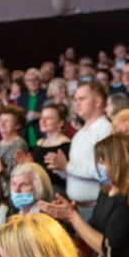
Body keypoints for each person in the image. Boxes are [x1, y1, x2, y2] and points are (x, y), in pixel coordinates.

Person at [45, 81, 114, 222]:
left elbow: (106, 174)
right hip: (77, 207)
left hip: (95, 207)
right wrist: (60, 169)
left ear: (98, 101)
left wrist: (67, 166)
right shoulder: (79, 134)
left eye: (82, 99)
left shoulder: (105, 130)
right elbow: (74, 174)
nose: (77, 104)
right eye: (75, 99)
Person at [29, 104, 71, 193]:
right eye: (42, 117)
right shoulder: (40, 142)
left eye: (49, 118)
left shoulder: (65, 144)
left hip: (56, 190)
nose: (43, 121)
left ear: (61, 123)